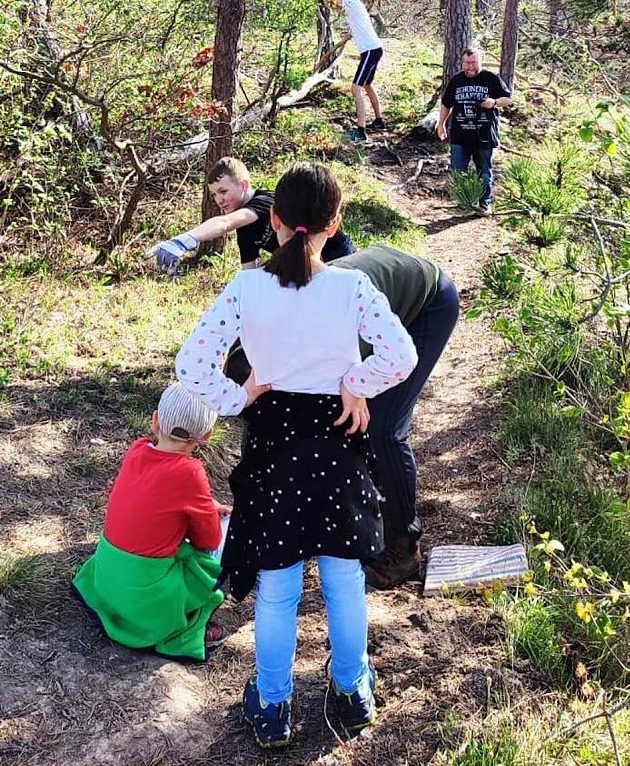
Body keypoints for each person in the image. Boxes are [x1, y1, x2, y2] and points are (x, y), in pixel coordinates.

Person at [176, 163, 417, 747]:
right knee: (343, 577)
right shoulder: (352, 287)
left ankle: (273, 704)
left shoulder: (247, 288)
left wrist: (238, 397)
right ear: (336, 224)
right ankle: (353, 689)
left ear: (275, 220)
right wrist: (356, 383)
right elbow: (402, 356)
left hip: (274, 442)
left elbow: (191, 365)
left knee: (279, 586)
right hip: (338, 441)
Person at [224, 244, 460, 589]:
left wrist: (356, 385)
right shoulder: (251, 339)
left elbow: (383, 367)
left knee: (381, 429)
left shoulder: (324, 338)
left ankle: (403, 546)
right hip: (380, 293)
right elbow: (263, 447)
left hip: (427, 301)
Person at [72, 384, 231, 662]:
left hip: (107, 580)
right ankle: (185, 622)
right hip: (145, 601)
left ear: (155, 420)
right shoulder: (190, 471)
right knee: (232, 528)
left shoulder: (137, 450)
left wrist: (204, 505)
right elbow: (208, 540)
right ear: (206, 436)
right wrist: (208, 513)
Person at [148, 156, 356, 273]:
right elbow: (249, 272)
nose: (219, 200)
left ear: (244, 185)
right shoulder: (245, 232)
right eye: (214, 195)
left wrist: (184, 240)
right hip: (308, 268)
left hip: (338, 255)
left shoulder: (265, 201)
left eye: (223, 191)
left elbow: (224, 223)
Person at [437, 48, 512, 216]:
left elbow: (507, 98)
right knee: (458, 171)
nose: (470, 66)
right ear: (462, 63)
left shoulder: (491, 78)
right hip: (460, 134)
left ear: (480, 62)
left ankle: (485, 204)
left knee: (484, 172)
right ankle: (463, 204)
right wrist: (441, 124)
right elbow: (446, 104)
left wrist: (493, 103)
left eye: (474, 63)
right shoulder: (457, 80)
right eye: (467, 63)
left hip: (484, 134)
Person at [315, 0, 385, 143]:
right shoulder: (352, 7)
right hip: (374, 49)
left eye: (338, 0)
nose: (337, 5)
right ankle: (379, 121)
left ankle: (361, 132)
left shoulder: (352, 4)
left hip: (370, 50)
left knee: (356, 88)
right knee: (367, 85)